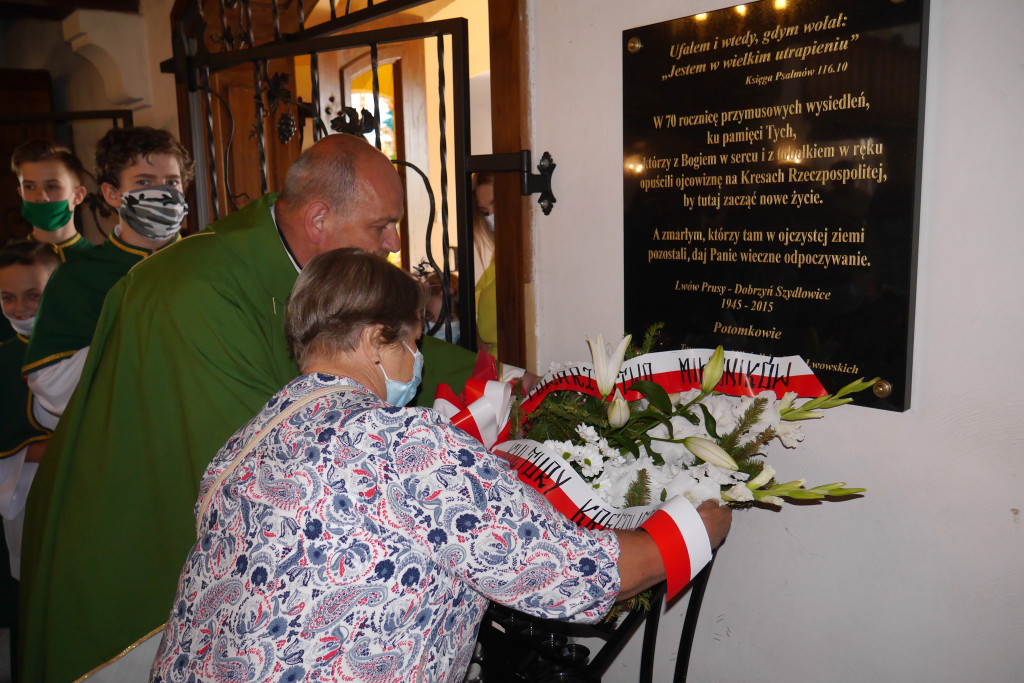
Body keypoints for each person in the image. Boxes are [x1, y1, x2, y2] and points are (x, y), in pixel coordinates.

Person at [20, 134, 481, 682]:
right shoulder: (194, 290)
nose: (394, 240)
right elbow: (272, 459)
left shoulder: (295, 270)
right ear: (318, 220)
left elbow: (375, 344)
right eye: (381, 225)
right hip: (131, 555)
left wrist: (493, 376)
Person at [150, 248, 732, 682]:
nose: (417, 359)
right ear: (375, 341)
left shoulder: (242, 446)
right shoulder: (403, 443)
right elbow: (564, 575)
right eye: (412, 341)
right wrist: (692, 530)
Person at [21, 126, 193, 425]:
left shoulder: (210, 259)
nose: (163, 193)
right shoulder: (77, 276)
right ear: (112, 194)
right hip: (125, 429)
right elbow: (50, 386)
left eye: (172, 181)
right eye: (144, 182)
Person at [0, 242, 59, 577]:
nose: (19, 308)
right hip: (27, 496)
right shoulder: (5, 359)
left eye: (33, 295)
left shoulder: (88, 347)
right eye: (7, 297)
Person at [11, 139, 93, 262]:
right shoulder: (7, 264)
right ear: (21, 193)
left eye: (52, 186)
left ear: (78, 195)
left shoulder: (101, 263)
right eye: (30, 187)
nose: (40, 196)